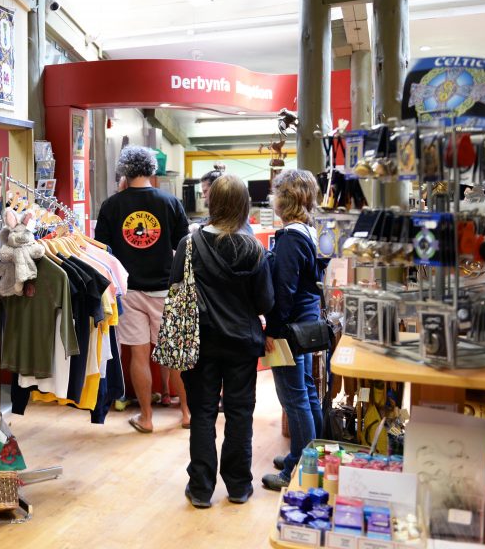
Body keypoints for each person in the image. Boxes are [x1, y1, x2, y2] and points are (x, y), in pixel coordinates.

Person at [170, 175, 273, 508]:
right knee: (240, 413)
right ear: (244, 205)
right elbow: (265, 302)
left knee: (201, 412)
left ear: (210, 202)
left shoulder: (189, 244)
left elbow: (176, 288)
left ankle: (200, 488)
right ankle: (239, 485)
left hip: (200, 342)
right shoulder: (254, 248)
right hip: (243, 343)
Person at [96, 145, 191, 433]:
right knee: (173, 354)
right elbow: (184, 246)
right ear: (153, 170)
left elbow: (103, 251)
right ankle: (187, 414)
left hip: (129, 290)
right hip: (165, 288)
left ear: (124, 171)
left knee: (139, 355)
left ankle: (147, 418)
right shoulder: (170, 202)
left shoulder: (112, 206)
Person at [261, 169, 330, 491]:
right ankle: (309, 455)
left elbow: (283, 290)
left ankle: (297, 468)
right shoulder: (309, 232)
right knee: (305, 392)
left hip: (288, 329)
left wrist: (272, 330)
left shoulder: (290, 238)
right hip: (306, 324)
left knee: (294, 397)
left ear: (284, 198)